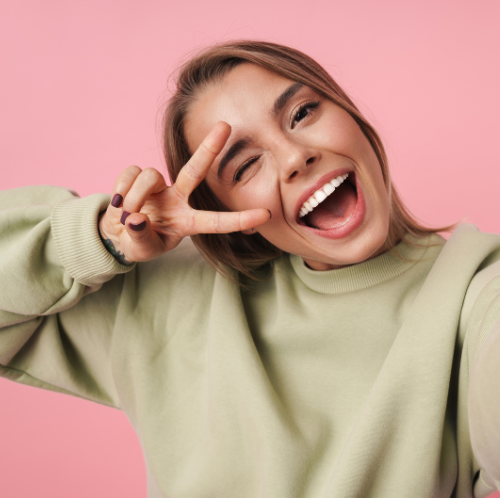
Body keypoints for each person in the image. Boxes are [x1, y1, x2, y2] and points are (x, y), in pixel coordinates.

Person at [0, 40, 499, 498]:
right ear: (227, 210)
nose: (294, 158)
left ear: (351, 113)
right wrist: (101, 240)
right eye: (244, 166)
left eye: (302, 113)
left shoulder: (477, 291)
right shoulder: (174, 297)